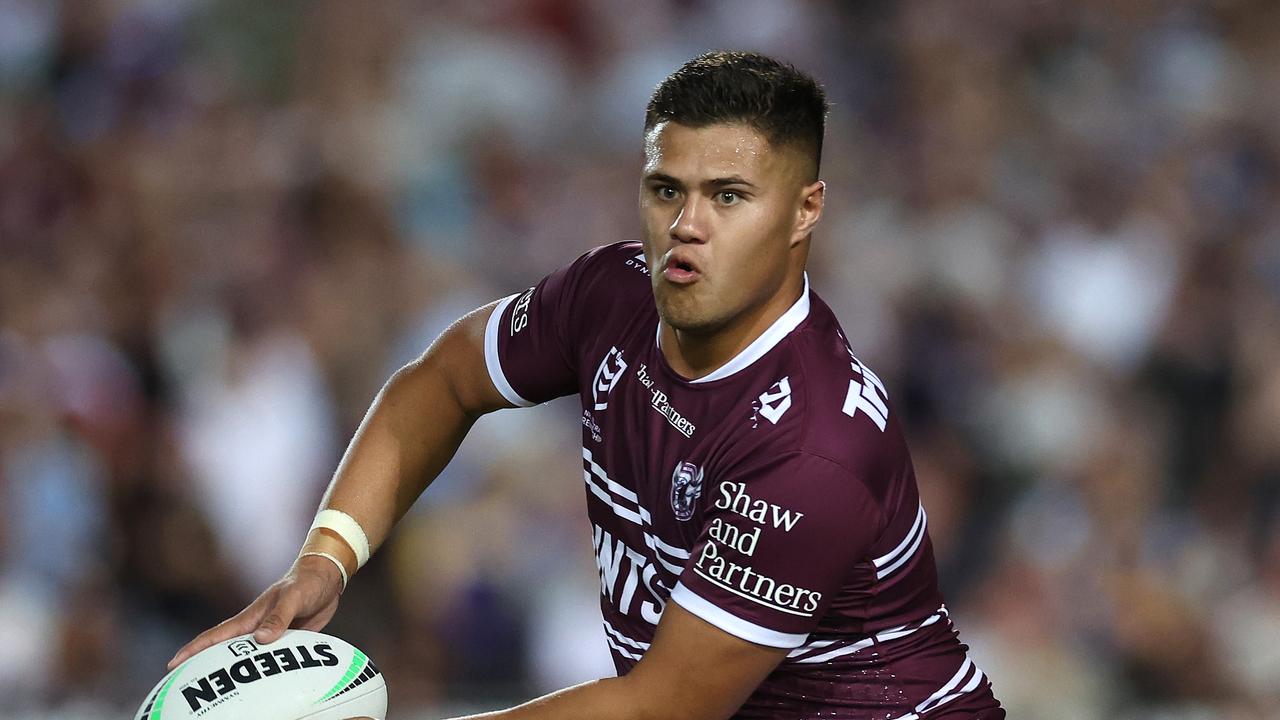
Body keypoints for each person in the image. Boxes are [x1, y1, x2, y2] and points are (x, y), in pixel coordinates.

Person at [170, 51, 1004, 719]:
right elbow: (441, 381)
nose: (688, 225)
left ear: (805, 210)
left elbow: (661, 707)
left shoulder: (815, 446)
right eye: (665, 189)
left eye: (730, 196)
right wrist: (325, 561)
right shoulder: (609, 294)